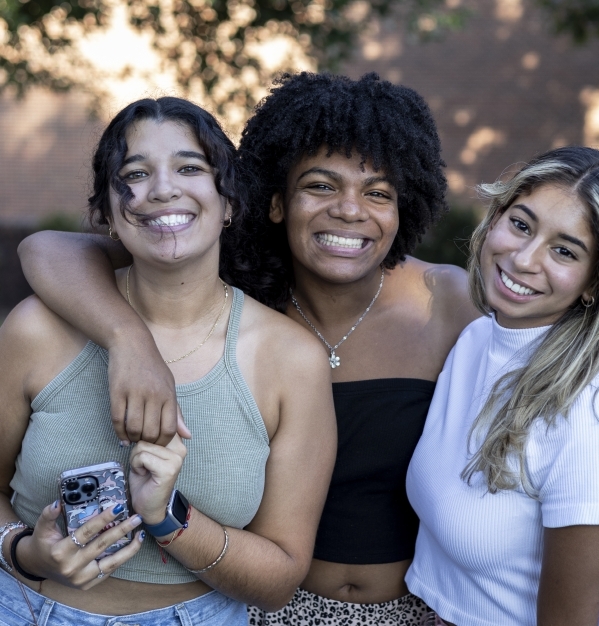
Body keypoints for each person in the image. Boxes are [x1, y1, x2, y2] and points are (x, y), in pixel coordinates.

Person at [18, 73, 477, 624]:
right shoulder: (235, 281)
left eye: (378, 192)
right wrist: (131, 341)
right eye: (321, 186)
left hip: (415, 605)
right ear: (275, 203)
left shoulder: (444, 301)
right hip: (264, 610)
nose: (350, 210)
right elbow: (47, 249)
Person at [1, 96, 337, 625]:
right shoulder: (34, 329)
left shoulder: (291, 360)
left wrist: (167, 517)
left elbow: (278, 580)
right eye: (135, 173)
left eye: (189, 167)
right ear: (106, 213)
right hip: (23, 608)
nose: (162, 188)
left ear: (229, 202)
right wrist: (24, 552)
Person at [405, 146, 599, 626]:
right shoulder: (474, 339)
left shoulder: (590, 414)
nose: (523, 258)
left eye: (564, 250)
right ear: (495, 218)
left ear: (593, 282)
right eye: (521, 224)